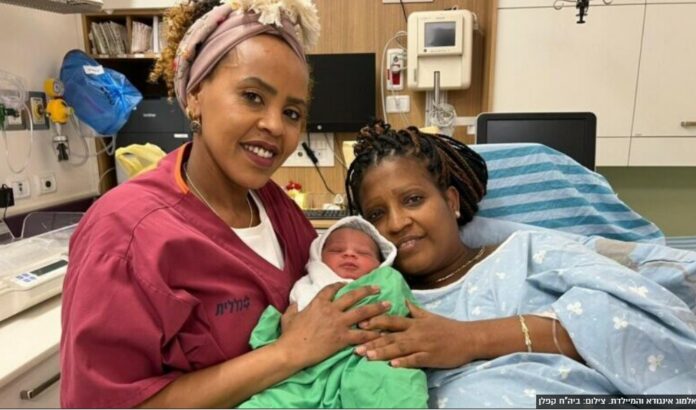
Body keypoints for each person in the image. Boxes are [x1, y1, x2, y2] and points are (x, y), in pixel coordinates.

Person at [59, 1, 391, 408]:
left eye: (291, 112)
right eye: (252, 96)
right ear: (195, 95)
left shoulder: (277, 209)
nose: (274, 125)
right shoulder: (125, 235)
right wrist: (288, 353)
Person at [345, 121, 696, 408]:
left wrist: (471, 339)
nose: (396, 222)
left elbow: (643, 324)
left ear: (451, 201)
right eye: (376, 214)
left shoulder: (527, 254)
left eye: (413, 199)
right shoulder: (373, 300)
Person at [240, 215, 428, 408]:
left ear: (381, 262)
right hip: (310, 369)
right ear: (318, 257)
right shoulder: (307, 286)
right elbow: (294, 324)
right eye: (337, 250)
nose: (349, 254)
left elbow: (402, 307)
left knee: (392, 386)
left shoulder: (386, 280)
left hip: (369, 358)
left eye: (363, 253)